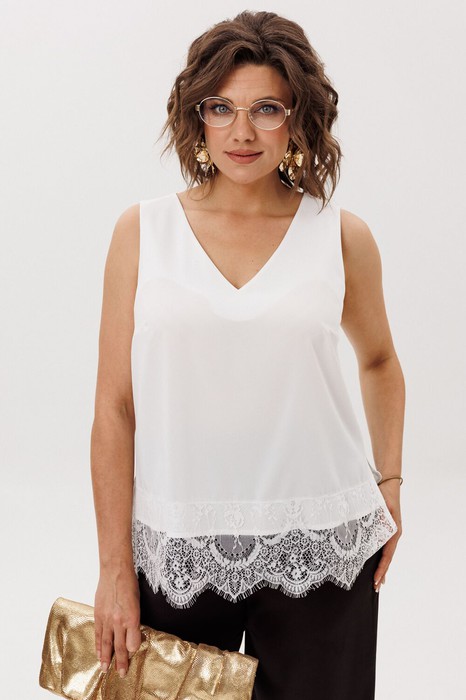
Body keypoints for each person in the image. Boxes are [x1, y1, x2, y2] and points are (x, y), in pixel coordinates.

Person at [90, 10, 404, 700]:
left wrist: (390, 483)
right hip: (174, 551)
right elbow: (114, 407)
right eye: (221, 108)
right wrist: (114, 566)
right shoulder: (143, 233)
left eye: (266, 109)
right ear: (197, 117)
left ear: (297, 119)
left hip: (323, 549)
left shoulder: (340, 236)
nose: (242, 131)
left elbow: (380, 361)